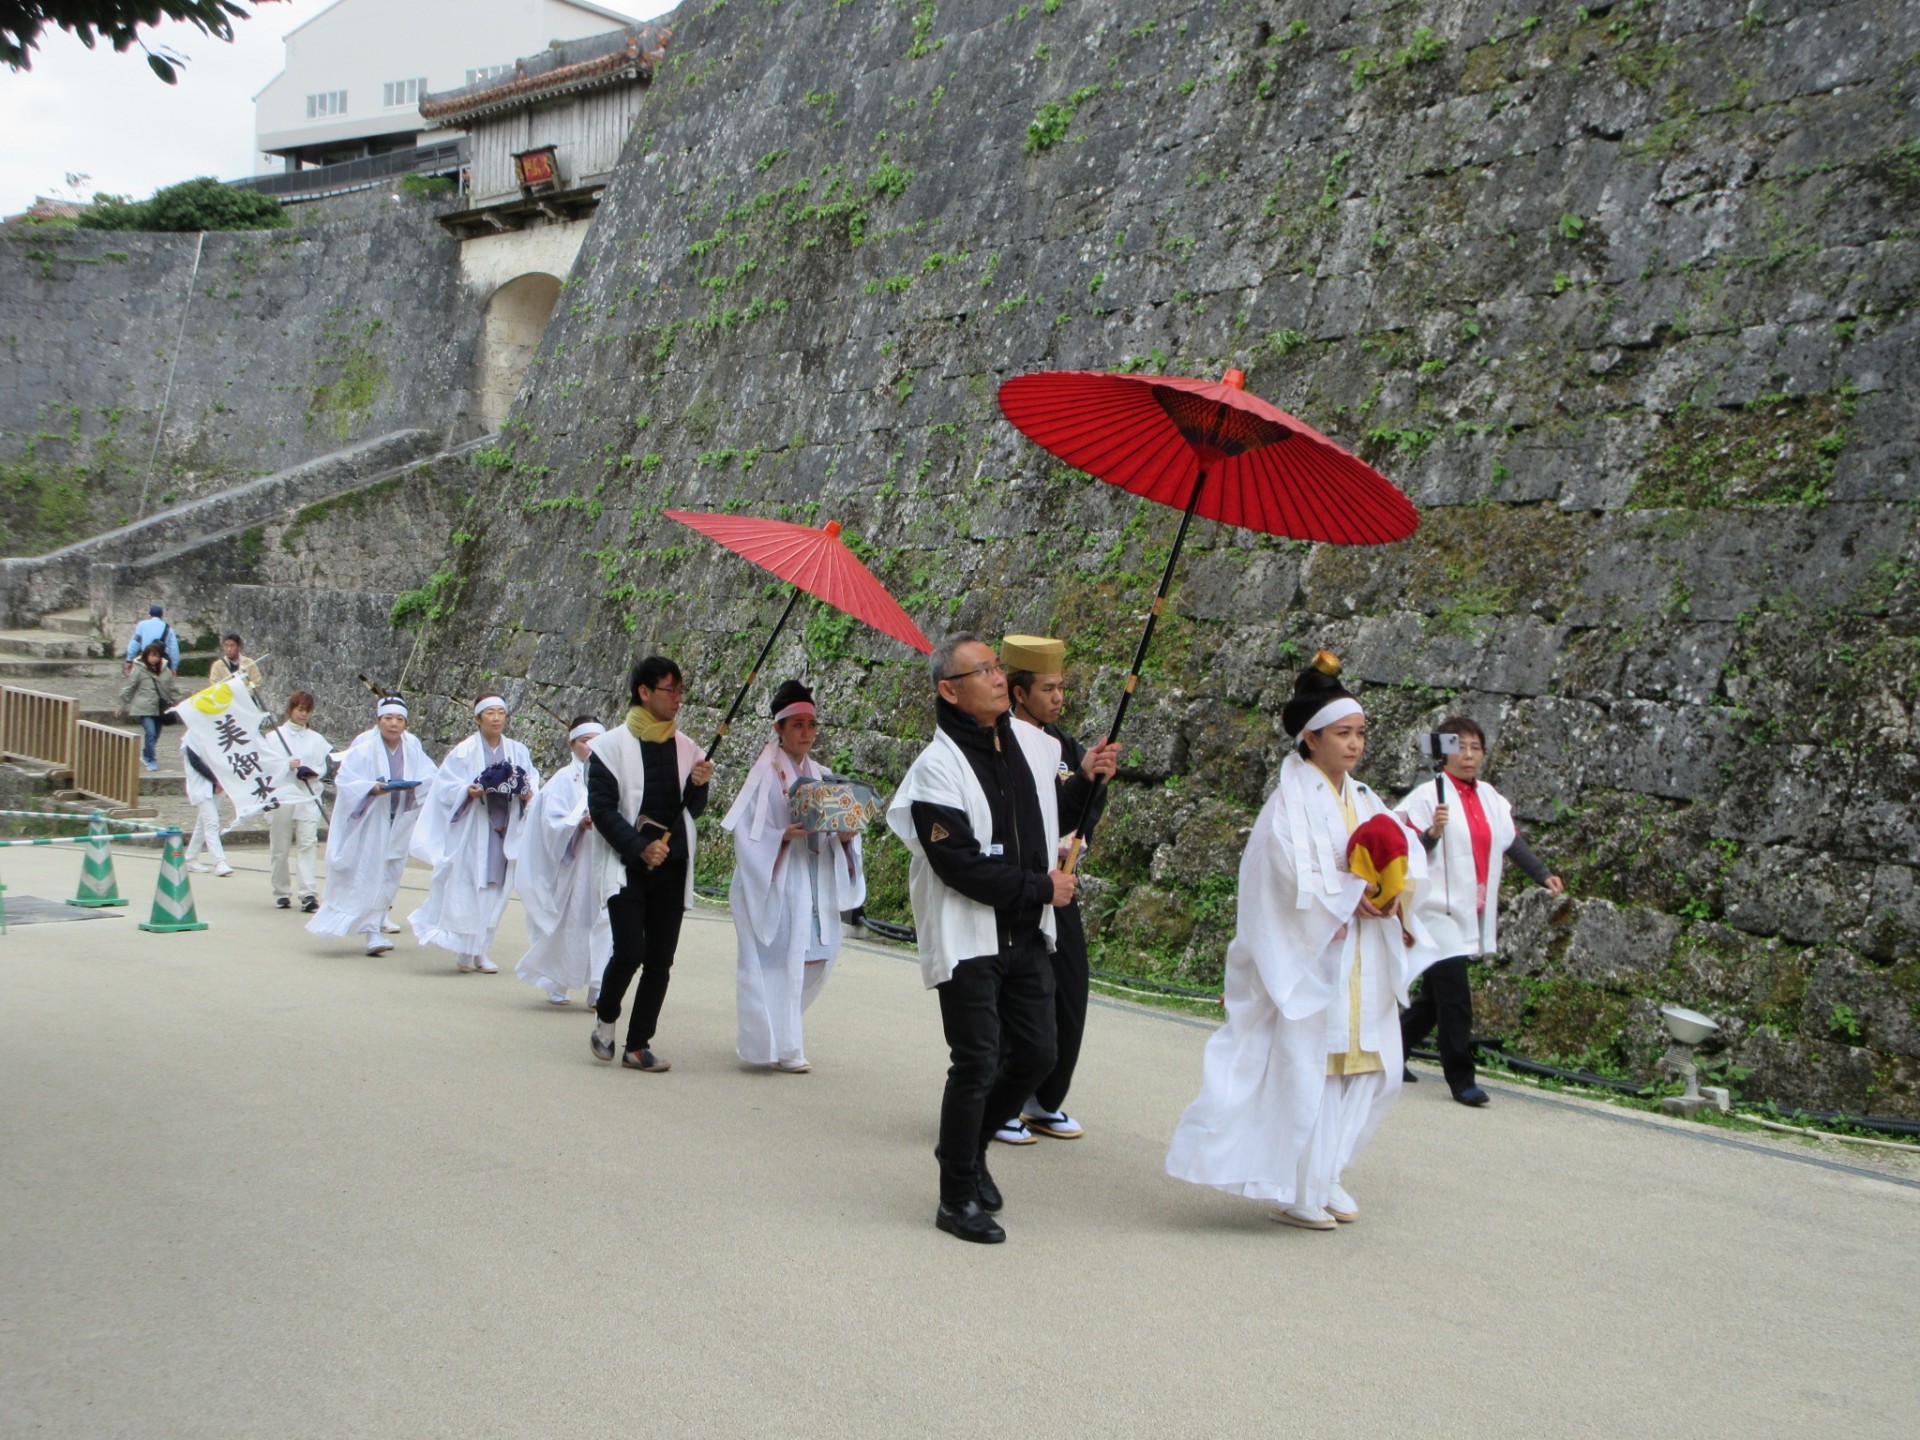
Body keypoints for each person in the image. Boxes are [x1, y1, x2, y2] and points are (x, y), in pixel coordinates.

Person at [1166, 652, 1436, 1231]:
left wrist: (1391, 892)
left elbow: (1401, 851)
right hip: (1315, 957)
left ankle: (1328, 1170)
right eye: (1343, 733)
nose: (1354, 744)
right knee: (1309, 1064)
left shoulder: (1362, 798)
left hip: (1361, 953)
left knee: (1361, 1068)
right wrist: (1348, 896)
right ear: (1310, 739)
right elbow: (1277, 875)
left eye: (1360, 733)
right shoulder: (1286, 804)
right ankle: (1297, 1185)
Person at [885, 633, 1114, 1245]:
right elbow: (957, 864)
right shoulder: (936, 768)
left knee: (1037, 1055)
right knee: (978, 1060)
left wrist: (1088, 779)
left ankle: (968, 1147)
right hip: (968, 936)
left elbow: (1053, 818)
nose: (995, 677)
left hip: (1024, 933)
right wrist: (1040, 890)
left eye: (995, 667)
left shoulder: (1035, 747)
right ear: (948, 690)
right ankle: (955, 1193)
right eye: (981, 670)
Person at [1396, 716, 1565, 1108]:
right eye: (1460, 746)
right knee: (1455, 997)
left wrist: (1543, 874)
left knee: (1435, 998)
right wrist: (1431, 834)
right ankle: (1461, 1078)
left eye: (1476, 748)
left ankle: (1393, 1049)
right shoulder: (1427, 796)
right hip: (1435, 908)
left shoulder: (1490, 797)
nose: (1468, 755)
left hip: (1471, 906)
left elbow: (1510, 841)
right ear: (1444, 751)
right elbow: (1403, 848)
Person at [994, 634, 1117, 1144]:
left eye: (1062, 687)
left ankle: (1043, 1100)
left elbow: (1077, 817)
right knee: (1014, 995)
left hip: (1061, 887)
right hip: (1020, 889)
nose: (1058, 698)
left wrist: (1093, 779)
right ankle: (999, 1100)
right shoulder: (998, 742)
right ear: (1020, 693)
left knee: (1069, 990)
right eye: (1049, 688)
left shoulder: (1064, 745)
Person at [722, 679, 867, 1072]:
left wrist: (846, 835)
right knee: (781, 959)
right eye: (798, 724)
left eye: (811, 724)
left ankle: (778, 1032)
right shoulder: (764, 775)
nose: (806, 732)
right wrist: (781, 835)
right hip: (780, 878)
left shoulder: (823, 775)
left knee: (821, 955)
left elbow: (841, 832)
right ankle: (784, 1046)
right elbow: (746, 833)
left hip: (815, 876)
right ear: (779, 729)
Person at [586, 657, 714, 1073]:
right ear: (644, 692)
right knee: (630, 950)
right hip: (629, 863)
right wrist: (640, 848)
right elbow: (603, 811)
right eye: (669, 691)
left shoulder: (688, 748)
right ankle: (606, 1018)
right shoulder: (608, 748)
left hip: (672, 865)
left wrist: (700, 784)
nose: (678, 700)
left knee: (660, 959)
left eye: (681, 691)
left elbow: (692, 809)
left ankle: (638, 1044)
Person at [409, 694, 539, 973]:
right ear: (477, 718)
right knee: (470, 886)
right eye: (490, 713)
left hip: (505, 827)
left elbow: (532, 779)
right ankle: (466, 949)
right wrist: (467, 790)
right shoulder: (464, 751)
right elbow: (444, 786)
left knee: (497, 889)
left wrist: (528, 793)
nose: (496, 718)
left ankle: (481, 950)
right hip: (474, 829)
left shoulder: (517, 751)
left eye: (501, 713)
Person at [307, 695, 438, 957]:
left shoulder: (412, 747)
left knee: (390, 874)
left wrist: (416, 786)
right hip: (370, 820)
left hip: (400, 818)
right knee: (370, 872)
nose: (394, 724)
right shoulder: (364, 747)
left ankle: (377, 922)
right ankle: (371, 931)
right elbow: (345, 779)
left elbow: (431, 775)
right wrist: (371, 788)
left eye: (400, 720)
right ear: (378, 721)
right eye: (388, 718)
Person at [514, 717, 614, 1006]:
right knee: (570, 923)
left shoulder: (615, 775)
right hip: (577, 862)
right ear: (572, 744)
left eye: (598, 741)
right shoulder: (562, 779)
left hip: (607, 857)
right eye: (585, 741)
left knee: (606, 922)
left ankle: (599, 986)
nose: (592, 747)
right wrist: (577, 824)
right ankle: (556, 980)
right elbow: (549, 821)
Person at [266, 691, 330, 913]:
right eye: (300, 709)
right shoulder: (275, 738)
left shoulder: (316, 739)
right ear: (291, 710)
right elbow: (265, 766)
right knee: (280, 845)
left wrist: (314, 772)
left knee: (307, 843)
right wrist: (287, 765)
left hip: (307, 795)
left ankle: (308, 893)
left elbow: (323, 766)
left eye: (307, 711)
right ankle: (281, 890)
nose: (304, 715)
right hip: (283, 795)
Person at [180, 730, 235, 878]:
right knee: (212, 823)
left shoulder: (216, 730)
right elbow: (195, 761)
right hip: (202, 784)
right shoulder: (192, 735)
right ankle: (219, 862)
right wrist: (214, 779)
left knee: (203, 823)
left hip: (217, 785)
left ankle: (191, 857)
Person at [116, 640, 176, 772]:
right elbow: (129, 688)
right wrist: (122, 706)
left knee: (155, 735)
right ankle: (151, 759)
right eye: (152, 655)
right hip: (144, 707)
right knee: (150, 732)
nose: (154, 659)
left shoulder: (165, 670)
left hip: (160, 708)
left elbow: (171, 689)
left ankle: (146, 754)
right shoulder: (139, 670)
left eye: (157, 656)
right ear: (146, 656)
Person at [123, 605, 178, 675]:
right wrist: (174, 667)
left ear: (149, 615)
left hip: (146, 658)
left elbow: (135, 643)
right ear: (162, 615)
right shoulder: (169, 629)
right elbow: (174, 649)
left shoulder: (141, 625)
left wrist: (129, 660)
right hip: (161, 660)